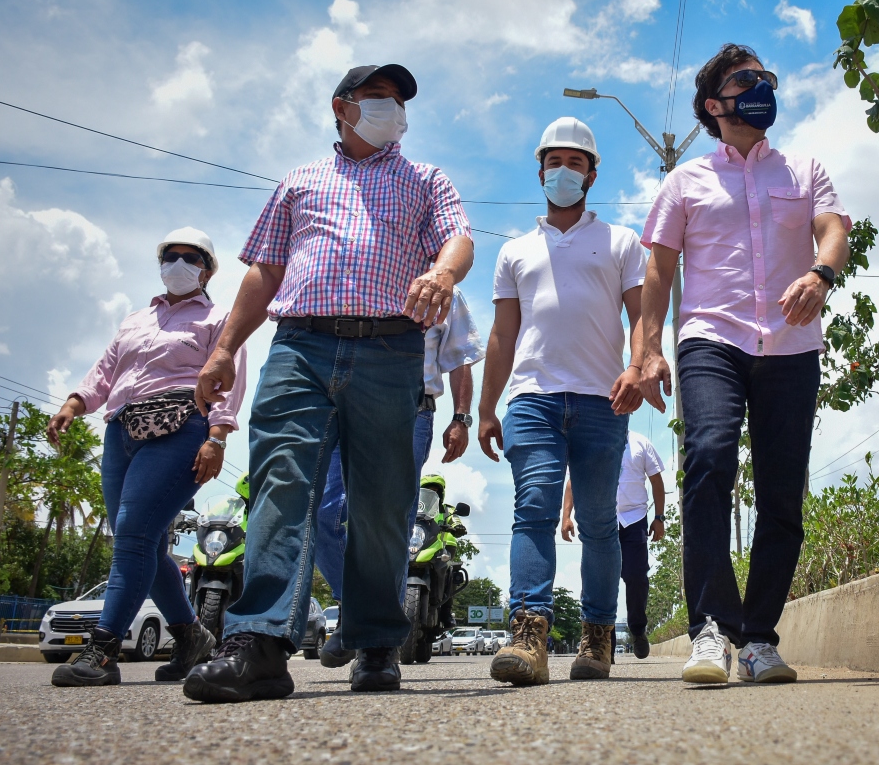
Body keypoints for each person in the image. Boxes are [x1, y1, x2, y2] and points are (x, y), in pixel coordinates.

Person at [183, 63, 473, 702]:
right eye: (377, 98)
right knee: (281, 483)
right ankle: (259, 642)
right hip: (301, 348)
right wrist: (225, 347)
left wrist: (445, 275)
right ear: (341, 107)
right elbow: (265, 271)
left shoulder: (425, 179)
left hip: (389, 350)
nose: (391, 109)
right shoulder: (299, 181)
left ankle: (376, 645)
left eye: (398, 101)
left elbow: (459, 239)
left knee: (380, 503)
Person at [638, 44, 851, 684]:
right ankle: (711, 631)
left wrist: (821, 273)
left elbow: (834, 227)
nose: (760, 88)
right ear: (714, 103)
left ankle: (758, 639)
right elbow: (658, 268)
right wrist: (647, 350)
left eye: (765, 79)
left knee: (782, 493)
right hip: (712, 339)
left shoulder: (803, 167)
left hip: (790, 347)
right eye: (745, 80)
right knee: (707, 460)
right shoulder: (686, 180)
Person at [478, 117, 645, 686]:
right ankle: (529, 636)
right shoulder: (515, 251)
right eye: (556, 162)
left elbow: (642, 314)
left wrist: (638, 366)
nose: (564, 171)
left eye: (577, 163)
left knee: (599, 524)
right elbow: (502, 335)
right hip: (533, 398)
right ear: (540, 170)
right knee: (535, 508)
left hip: (604, 400)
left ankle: (598, 638)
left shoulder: (621, 241)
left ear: (593, 175)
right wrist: (484, 407)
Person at [45, 227, 246, 687]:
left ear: (208, 269)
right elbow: (106, 370)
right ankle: (190, 636)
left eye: (189, 257)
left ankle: (101, 651)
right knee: (146, 542)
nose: (178, 264)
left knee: (133, 535)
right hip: (121, 432)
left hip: (181, 427)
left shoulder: (221, 318)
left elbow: (229, 380)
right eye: (169, 256)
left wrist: (217, 437)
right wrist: (74, 404)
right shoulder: (137, 318)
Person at [317, 287, 483, 667]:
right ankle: (358, 608)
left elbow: (461, 358)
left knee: (394, 519)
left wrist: (461, 418)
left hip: (413, 408)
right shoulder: (363, 274)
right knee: (324, 512)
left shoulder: (449, 293)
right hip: (346, 403)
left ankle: (378, 640)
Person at [561, 430, 665, 659]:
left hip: (634, 520)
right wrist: (566, 516)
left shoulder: (641, 443)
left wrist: (659, 518)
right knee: (601, 578)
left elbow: (656, 480)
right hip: (601, 519)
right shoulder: (591, 439)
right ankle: (605, 639)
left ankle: (638, 628)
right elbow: (573, 482)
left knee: (636, 576)